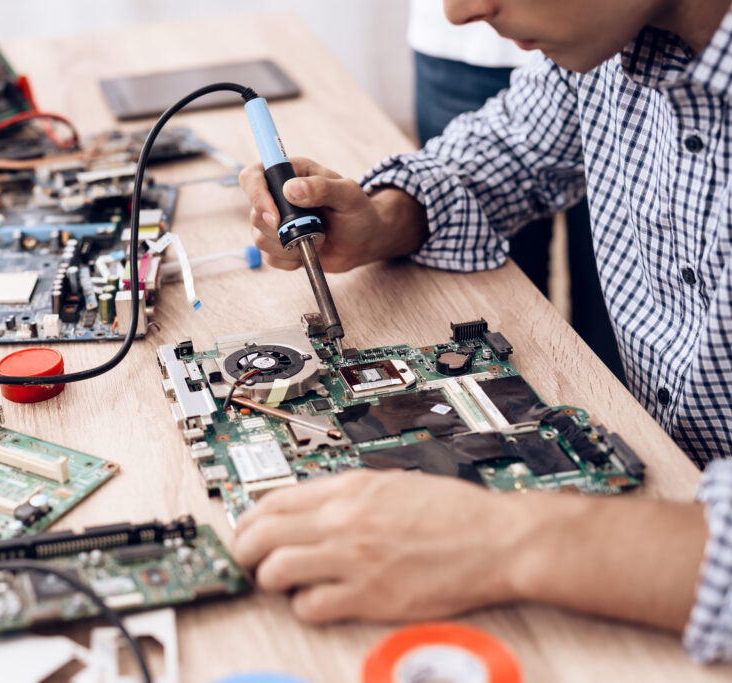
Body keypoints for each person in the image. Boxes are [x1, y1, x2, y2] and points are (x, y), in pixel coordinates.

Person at [233, 0, 732, 664]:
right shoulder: (615, 43)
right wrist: (384, 217)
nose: (460, 10)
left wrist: (507, 538)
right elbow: (510, 151)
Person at [409, 2, 626, 383]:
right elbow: (510, 151)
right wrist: (391, 212)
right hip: (463, 58)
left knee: (611, 320)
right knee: (511, 319)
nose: (456, 12)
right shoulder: (580, 73)